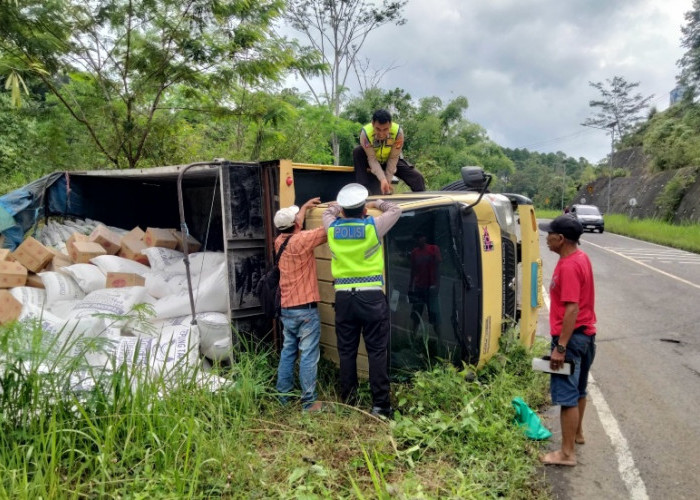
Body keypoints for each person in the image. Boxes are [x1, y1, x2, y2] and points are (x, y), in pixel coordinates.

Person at [322, 183, 401, 418]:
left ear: (344, 211)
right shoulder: (372, 227)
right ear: (364, 211)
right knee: (377, 351)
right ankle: (380, 407)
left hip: (344, 297)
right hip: (371, 297)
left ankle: (349, 401)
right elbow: (395, 210)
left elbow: (328, 212)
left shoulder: (332, 228)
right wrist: (377, 203)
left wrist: (340, 206)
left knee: (346, 351)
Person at [538, 214, 597, 467]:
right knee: (580, 388)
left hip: (571, 339)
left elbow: (571, 309)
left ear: (560, 239)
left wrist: (560, 347)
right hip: (586, 335)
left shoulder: (569, 266)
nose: (546, 238)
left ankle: (566, 453)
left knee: (567, 395)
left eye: (549, 234)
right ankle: (578, 434)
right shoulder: (581, 258)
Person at [274, 198, 327, 412]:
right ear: (296, 224)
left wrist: (304, 208)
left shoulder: (279, 241)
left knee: (288, 352)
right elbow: (329, 229)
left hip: (287, 309)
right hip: (305, 310)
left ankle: (283, 396)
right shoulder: (303, 239)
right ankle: (308, 402)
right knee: (308, 355)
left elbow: (294, 227)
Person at [353, 109, 425, 195]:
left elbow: (393, 158)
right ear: (372, 124)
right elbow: (372, 159)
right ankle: (363, 193)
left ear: (390, 125)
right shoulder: (365, 134)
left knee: (417, 178)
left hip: (391, 159)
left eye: (385, 129)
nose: (381, 134)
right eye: (378, 129)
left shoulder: (398, 133)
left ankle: (421, 203)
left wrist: (387, 180)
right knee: (357, 151)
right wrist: (382, 179)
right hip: (372, 160)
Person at [409, 231, 442, 343]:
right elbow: (413, 271)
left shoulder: (433, 249)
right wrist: (410, 286)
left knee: (434, 315)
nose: (419, 240)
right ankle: (412, 339)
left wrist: (437, 285)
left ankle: (441, 340)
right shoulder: (414, 253)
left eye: (421, 237)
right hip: (419, 287)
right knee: (416, 315)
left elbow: (438, 269)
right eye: (417, 238)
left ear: (425, 237)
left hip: (431, 287)